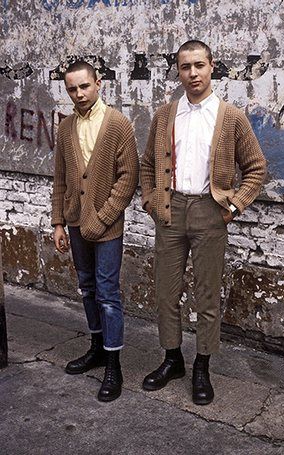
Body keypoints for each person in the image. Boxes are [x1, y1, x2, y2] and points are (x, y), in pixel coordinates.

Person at [140, 40, 266, 405]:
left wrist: (235, 205)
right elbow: (148, 165)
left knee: (207, 296)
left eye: (198, 65)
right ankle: (172, 359)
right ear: (177, 71)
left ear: (212, 66)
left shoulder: (231, 116)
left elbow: (256, 169)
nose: (192, 73)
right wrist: (151, 201)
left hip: (212, 211)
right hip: (171, 209)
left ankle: (202, 366)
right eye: (184, 67)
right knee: (166, 292)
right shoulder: (165, 115)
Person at [51, 60, 139, 402]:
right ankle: (96, 347)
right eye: (72, 89)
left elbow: (127, 180)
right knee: (86, 288)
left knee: (107, 293)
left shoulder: (118, 124)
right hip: (74, 221)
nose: (78, 94)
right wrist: (59, 222)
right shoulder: (65, 127)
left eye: (84, 86)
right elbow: (60, 179)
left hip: (107, 225)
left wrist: (101, 219)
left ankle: (113, 362)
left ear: (98, 83)